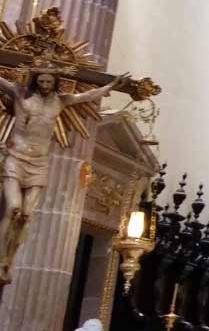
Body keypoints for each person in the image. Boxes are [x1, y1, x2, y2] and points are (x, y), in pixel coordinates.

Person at [0, 65, 127, 281]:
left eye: (49, 82)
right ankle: (1, 256)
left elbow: (87, 96)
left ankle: (8, 260)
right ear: (35, 81)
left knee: (26, 216)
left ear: (55, 83)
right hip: (17, 158)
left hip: (39, 162)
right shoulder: (20, 93)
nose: (46, 86)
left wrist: (111, 85)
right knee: (13, 208)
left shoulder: (60, 100)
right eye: (41, 82)